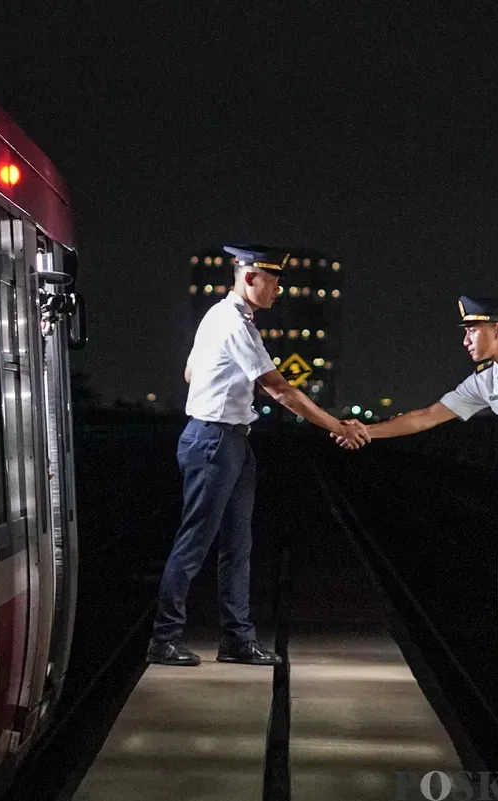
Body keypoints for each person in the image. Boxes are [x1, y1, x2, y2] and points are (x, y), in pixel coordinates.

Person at [148, 245, 369, 667]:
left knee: (238, 543)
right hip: (213, 440)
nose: (279, 291)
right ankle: (164, 638)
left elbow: (190, 372)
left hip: (229, 440)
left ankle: (236, 640)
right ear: (250, 278)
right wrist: (337, 426)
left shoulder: (219, 317)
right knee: (195, 542)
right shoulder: (233, 323)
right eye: (274, 281)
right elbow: (280, 389)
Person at [338, 296, 498, 465]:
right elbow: (427, 416)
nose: (465, 341)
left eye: (472, 331)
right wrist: (367, 431)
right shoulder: (483, 382)